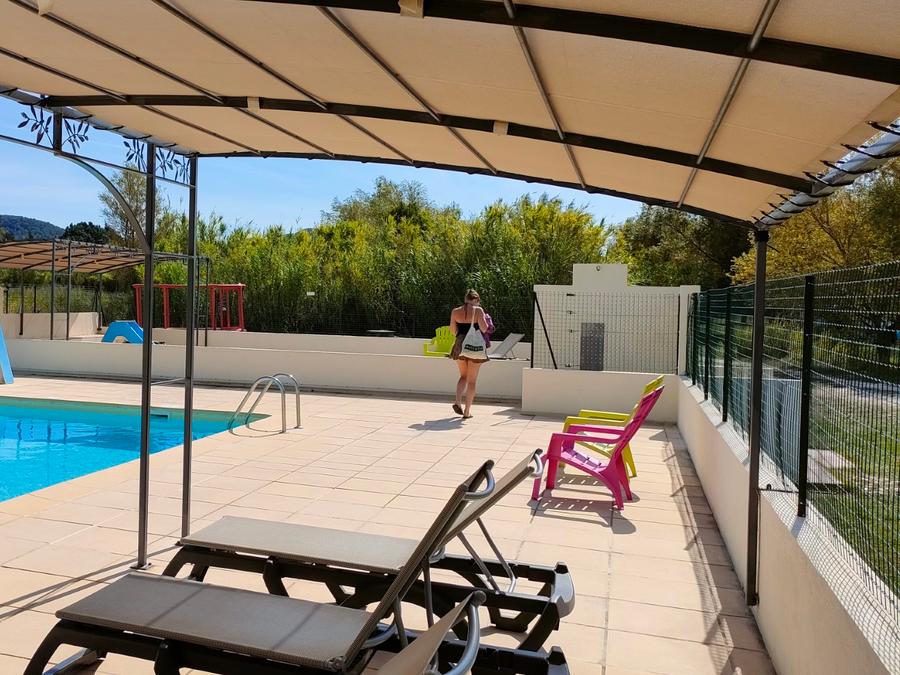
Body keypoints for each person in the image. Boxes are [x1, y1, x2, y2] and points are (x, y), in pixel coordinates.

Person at [449, 289, 489, 419]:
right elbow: (484, 329)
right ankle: (467, 412)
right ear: (476, 299)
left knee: (463, 376)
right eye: (478, 301)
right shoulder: (478, 310)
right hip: (474, 348)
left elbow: (452, 331)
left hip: (459, 346)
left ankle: (457, 401)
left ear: (465, 299)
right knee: (472, 381)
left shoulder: (455, 311)